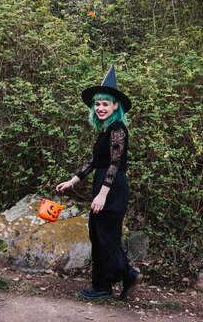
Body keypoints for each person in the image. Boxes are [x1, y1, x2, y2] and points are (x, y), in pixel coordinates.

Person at [56, 64, 142, 301]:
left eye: (105, 103)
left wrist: (103, 193)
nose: (100, 107)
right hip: (103, 183)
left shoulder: (118, 129)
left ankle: (126, 273)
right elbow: (96, 160)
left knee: (105, 236)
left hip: (112, 187)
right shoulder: (106, 130)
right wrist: (73, 181)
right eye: (97, 103)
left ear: (116, 106)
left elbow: (114, 164)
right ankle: (103, 285)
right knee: (99, 234)